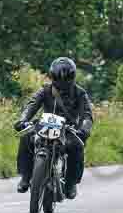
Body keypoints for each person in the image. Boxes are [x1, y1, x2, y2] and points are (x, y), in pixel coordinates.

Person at [14, 57, 94, 199]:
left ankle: (71, 183)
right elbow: (31, 105)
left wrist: (84, 128)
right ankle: (25, 177)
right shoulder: (44, 90)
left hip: (68, 130)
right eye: (58, 78)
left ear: (72, 77)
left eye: (67, 79)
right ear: (52, 76)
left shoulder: (80, 94)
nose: (62, 82)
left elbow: (87, 114)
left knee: (77, 146)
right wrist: (23, 120)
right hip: (44, 127)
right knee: (26, 136)